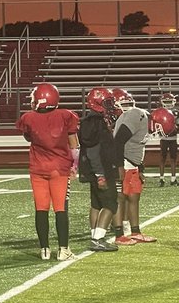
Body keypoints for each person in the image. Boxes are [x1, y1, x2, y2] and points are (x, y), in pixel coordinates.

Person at [16, 81, 80, 261]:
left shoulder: (28, 118)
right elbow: (74, 143)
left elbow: (28, 137)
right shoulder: (66, 115)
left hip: (37, 168)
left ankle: (44, 249)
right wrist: (75, 166)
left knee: (41, 209)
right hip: (59, 168)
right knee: (60, 209)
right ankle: (63, 249)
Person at [78, 87, 120, 252]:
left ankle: (94, 235)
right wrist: (101, 174)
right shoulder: (98, 123)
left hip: (93, 170)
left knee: (96, 204)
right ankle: (98, 239)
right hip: (100, 170)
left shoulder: (89, 121)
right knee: (110, 204)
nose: (110, 105)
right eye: (107, 102)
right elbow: (94, 151)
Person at [112, 88, 156, 245]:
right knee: (121, 198)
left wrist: (140, 167)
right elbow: (118, 142)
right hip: (124, 161)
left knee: (134, 197)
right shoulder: (136, 115)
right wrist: (119, 167)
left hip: (132, 162)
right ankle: (119, 234)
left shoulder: (136, 115)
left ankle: (135, 232)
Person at [151, 95, 179, 186]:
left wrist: (176, 126)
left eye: (170, 101)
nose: (168, 104)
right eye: (166, 102)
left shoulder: (176, 112)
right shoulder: (160, 112)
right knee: (162, 158)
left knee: (173, 158)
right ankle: (161, 178)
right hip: (163, 138)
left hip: (173, 138)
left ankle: (173, 178)